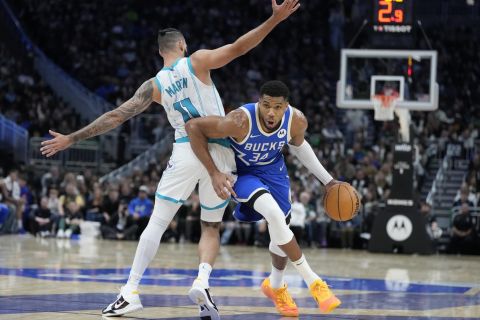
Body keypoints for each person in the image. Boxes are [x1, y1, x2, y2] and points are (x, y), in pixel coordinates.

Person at [39, 1, 300, 318]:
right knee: (210, 226)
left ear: (162, 51)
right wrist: (273, 20)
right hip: (220, 152)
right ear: (182, 45)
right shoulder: (198, 61)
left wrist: (73, 138)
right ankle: (202, 282)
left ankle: (130, 291)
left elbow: (116, 117)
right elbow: (240, 47)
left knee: (159, 222)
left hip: (187, 150)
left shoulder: (154, 85)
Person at [185, 80, 342, 316]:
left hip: (274, 171)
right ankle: (314, 282)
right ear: (259, 102)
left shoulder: (296, 120)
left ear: (286, 106)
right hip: (244, 174)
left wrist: (329, 181)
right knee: (274, 215)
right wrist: (214, 172)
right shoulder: (239, 120)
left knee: (281, 228)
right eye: (266, 105)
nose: (271, 112)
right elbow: (193, 127)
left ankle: (275, 286)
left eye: (277, 107)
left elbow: (299, 147)